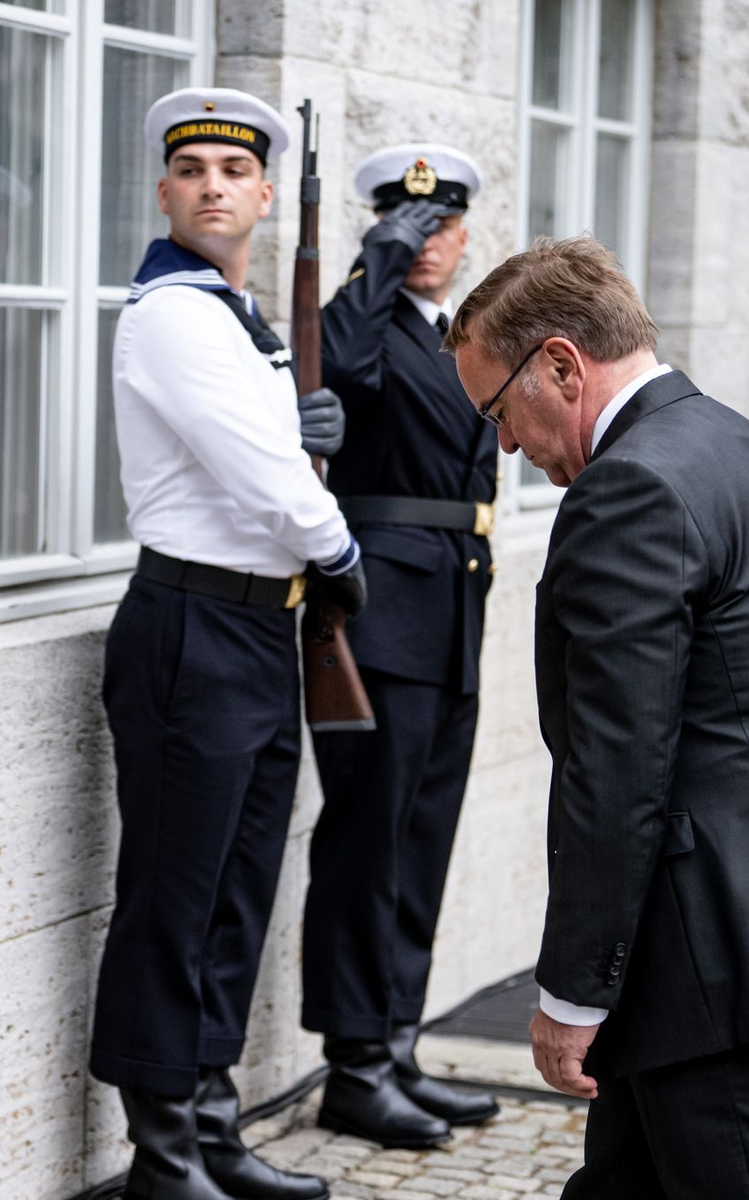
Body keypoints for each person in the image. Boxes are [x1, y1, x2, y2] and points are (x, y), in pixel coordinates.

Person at [89, 88, 365, 1200]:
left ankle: (211, 1126)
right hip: (191, 626)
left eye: (231, 171)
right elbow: (263, 482)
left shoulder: (240, 322)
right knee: (173, 894)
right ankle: (163, 1155)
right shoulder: (172, 313)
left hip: (260, 628)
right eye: (190, 167)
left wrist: (305, 424)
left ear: (262, 196)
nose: (212, 184)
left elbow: (272, 461)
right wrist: (341, 547)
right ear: (163, 192)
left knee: (236, 893)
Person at [448, 235, 749, 1199]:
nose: (502, 445)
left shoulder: (630, 488)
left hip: (697, 965)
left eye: (497, 409)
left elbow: (618, 769)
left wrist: (572, 992)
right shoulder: (727, 439)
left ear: (563, 365)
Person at [301, 144, 500, 1148]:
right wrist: (373, 265)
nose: (424, 243)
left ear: (466, 236)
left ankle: (398, 1044)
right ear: (380, 229)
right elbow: (330, 368)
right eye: (404, 225)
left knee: (421, 842)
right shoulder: (367, 324)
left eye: (438, 226)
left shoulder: (459, 338)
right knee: (366, 843)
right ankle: (353, 1063)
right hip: (379, 617)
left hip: (455, 612)